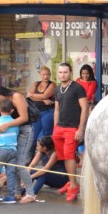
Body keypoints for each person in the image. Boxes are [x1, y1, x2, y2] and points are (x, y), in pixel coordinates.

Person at [0, 84, 39, 204]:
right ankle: (16, 192)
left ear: (1, 93)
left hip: (24, 131)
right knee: (14, 164)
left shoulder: (16, 97)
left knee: (20, 164)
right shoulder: (7, 101)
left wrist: (7, 125)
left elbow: (24, 117)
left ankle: (30, 194)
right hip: (15, 132)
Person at [52, 62, 89, 204]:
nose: (63, 75)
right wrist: (55, 127)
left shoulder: (78, 88)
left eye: (65, 72)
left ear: (71, 73)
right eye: (60, 72)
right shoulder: (57, 89)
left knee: (69, 156)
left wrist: (80, 129)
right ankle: (70, 181)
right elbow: (56, 109)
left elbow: (85, 108)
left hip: (72, 128)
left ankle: (74, 185)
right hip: (59, 128)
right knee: (63, 157)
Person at [26, 65, 56, 143]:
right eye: (43, 74)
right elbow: (29, 97)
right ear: (40, 75)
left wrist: (33, 95)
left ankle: (46, 154)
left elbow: (44, 95)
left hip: (47, 111)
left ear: (50, 75)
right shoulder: (36, 83)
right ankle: (33, 153)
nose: (46, 76)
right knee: (34, 133)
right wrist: (42, 100)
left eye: (48, 74)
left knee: (46, 133)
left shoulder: (52, 84)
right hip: (36, 111)